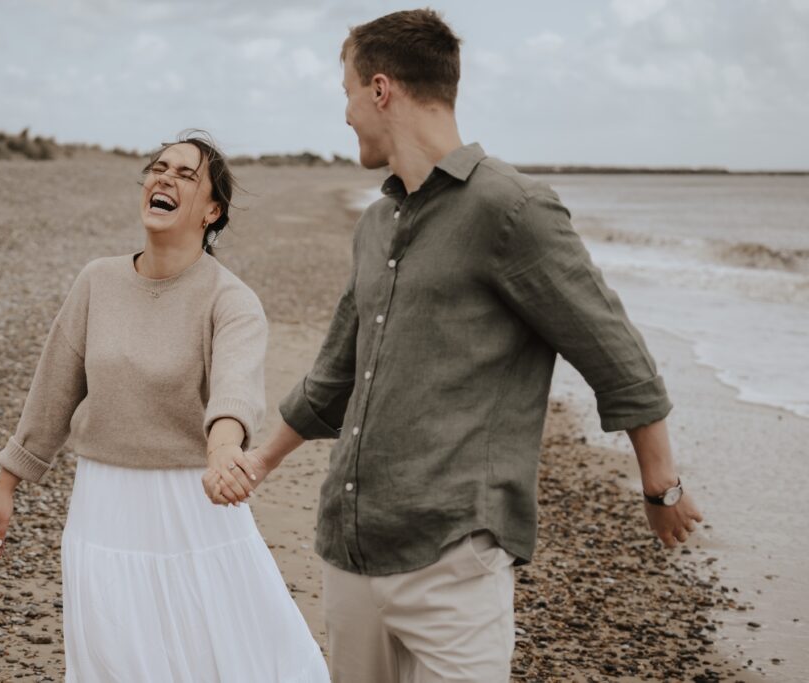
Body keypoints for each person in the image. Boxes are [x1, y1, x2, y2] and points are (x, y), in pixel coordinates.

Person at [203, 9, 704, 683]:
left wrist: (661, 483)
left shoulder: (512, 209)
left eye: (347, 91)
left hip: (454, 560)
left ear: (381, 90)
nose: (346, 113)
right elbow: (334, 375)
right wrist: (257, 462)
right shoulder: (378, 224)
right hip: (351, 549)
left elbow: (615, 353)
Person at [0, 131, 329, 682]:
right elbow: (54, 389)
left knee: (219, 652)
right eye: (158, 168)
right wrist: (8, 482)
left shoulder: (230, 299)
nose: (164, 178)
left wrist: (224, 449)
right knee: (114, 655)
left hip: (194, 505)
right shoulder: (97, 281)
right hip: (103, 503)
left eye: (186, 175)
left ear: (212, 211)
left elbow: (235, 391)